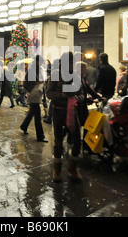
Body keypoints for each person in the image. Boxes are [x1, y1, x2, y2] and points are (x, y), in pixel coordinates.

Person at [46, 52, 85, 183]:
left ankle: (72, 167)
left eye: (72, 62)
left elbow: (81, 94)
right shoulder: (55, 75)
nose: (70, 65)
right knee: (58, 141)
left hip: (72, 111)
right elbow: (49, 93)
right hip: (59, 111)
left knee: (77, 141)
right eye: (68, 62)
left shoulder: (76, 75)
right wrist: (61, 95)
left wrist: (76, 98)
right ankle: (57, 169)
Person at [20, 55, 48, 142]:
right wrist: (38, 81)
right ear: (37, 61)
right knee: (37, 115)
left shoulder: (37, 69)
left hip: (36, 93)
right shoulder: (32, 69)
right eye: (41, 62)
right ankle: (40, 136)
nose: (42, 64)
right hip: (33, 93)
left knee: (32, 112)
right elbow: (28, 82)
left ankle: (24, 126)